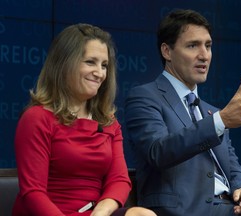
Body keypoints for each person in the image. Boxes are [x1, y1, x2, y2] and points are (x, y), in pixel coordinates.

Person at [124, 9, 241, 216]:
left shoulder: (211, 112)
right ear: (167, 51)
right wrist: (220, 121)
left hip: (230, 209)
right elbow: (158, 151)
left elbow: (232, 168)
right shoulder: (144, 97)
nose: (204, 55)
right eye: (193, 45)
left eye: (208, 46)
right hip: (183, 211)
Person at [12, 23, 157, 216]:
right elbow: (33, 193)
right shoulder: (37, 118)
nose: (100, 73)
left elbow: (119, 180)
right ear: (64, 63)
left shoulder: (108, 122)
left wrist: (100, 212)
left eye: (104, 65)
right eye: (90, 62)